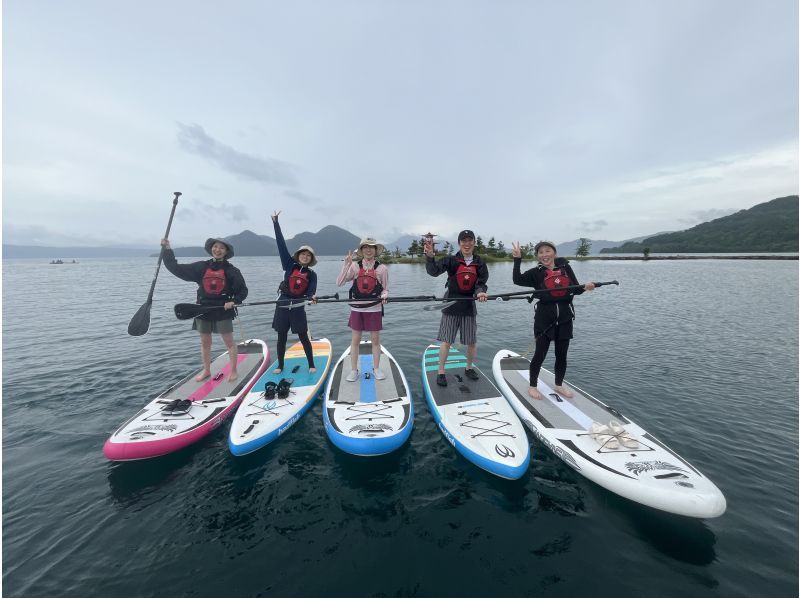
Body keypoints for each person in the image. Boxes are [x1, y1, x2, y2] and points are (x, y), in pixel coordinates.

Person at [511, 240, 595, 400]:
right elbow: (517, 279)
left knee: (561, 355)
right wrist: (517, 260)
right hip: (544, 319)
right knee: (540, 354)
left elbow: (575, 289)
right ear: (537, 256)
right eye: (540, 252)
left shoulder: (566, 268)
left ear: (554, 252)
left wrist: (586, 287)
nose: (544, 255)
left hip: (565, 318)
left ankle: (558, 385)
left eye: (547, 251)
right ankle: (533, 386)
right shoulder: (536, 273)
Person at [161, 236, 248, 382]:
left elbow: (243, 291)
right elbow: (175, 268)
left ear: (226, 251)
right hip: (202, 309)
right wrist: (167, 249)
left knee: (229, 342)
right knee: (205, 342)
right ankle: (207, 370)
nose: (217, 250)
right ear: (211, 249)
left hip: (223, 310)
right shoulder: (201, 267)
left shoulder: (232, 270)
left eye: (221, 248)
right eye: (215, 247)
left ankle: (233, 370)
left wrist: (234, 301)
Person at [424, 230, 488, 387]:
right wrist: (430, 257)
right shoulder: (450, 260)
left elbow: (481, 283)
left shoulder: (480, 262)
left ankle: (469, 368)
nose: (467, 243)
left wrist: (480, 293)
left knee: (471, 342)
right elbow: (433, 272)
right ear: (459, 243)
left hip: (468, 306)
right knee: (446, 342)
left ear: (474, 242)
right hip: (451, 305)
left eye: (470, 240)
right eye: (463, 240)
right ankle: (441, 372)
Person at [270, 210, 318, 374]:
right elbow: (281, 245)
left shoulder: (312, 274)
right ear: (298, 256)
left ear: (311, 259)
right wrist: (276, 223)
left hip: (298, 307)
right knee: (281, 337)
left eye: (308, 255)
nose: (305, 256)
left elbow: (311, 291)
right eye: (303, 254)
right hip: (282, 305)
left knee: (303, 337)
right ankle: (280, 365)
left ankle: (311, 364)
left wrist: (312, 298)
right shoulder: (289, 265)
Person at [336, 238, 389, 381]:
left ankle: (376, 368)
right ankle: (354, 370)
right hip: (357, 308)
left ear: (376, 250)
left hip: (374, 308)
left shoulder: (382, 268)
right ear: (361, 250)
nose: (368, 250)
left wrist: (385, 295)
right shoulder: (354, 266)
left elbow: (385, 289)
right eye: (365, 247)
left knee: (375, 340)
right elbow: (339, 283)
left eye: (371, 247)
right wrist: (346, 264)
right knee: (355, 340)